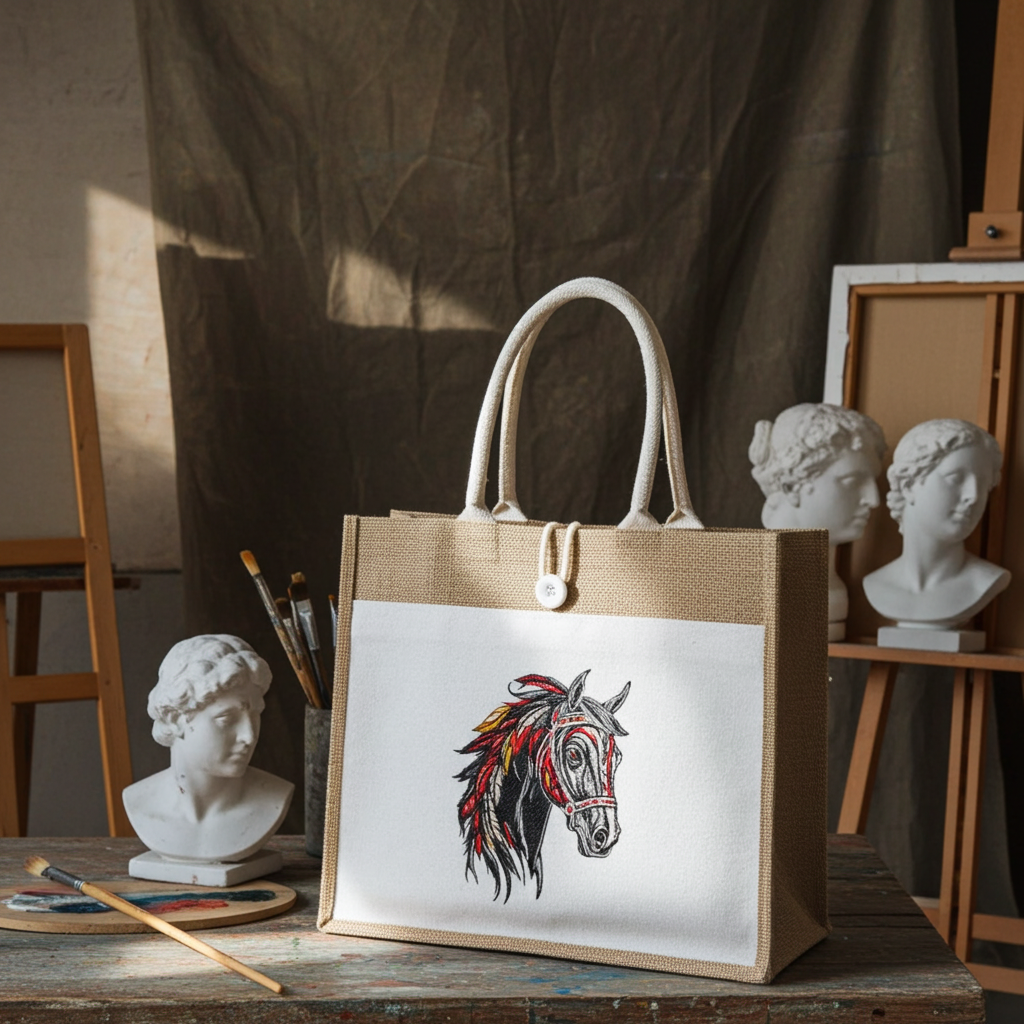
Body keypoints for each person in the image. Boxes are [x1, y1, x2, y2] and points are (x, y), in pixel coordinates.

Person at [122, 634, 293, 864]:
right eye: (226, 719)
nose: (249, 736)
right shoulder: (139, 801)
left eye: (255, 715)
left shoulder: (273, 798)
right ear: (175, 719)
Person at [749, 403, 885, 636]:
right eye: (852, 482)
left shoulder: (829, 587)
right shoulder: (760, 584)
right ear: (791, 486)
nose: (873, 500)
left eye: (872, 482)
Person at [863, 419, 1009, 628]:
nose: (974, 496)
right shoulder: (875, 583)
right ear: (908, 485)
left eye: (984, 484)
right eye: (956, 478)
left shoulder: (986, 582)